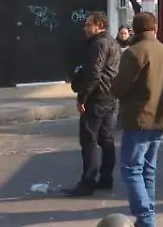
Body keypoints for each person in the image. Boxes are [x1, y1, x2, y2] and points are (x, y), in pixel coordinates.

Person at [111, 12, 163, 227]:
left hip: (139, 119)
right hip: (161, 118)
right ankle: (145, 218)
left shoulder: (134, 53)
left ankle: (146, 217)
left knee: (131, 169)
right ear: (155, 28)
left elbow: (120, 87)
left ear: (134, 30)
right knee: (148, 170)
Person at [64, 12, 122, 197]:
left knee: (89, 140)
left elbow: (94, 73)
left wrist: (82, 98)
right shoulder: (112, 42)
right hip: (110, 96)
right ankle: (106, 179)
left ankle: (88, 182)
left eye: (89, 25)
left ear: (99, 25)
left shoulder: (99, 44)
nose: (85, 28)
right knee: (106, 139)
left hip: (97, 97)